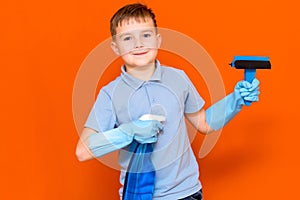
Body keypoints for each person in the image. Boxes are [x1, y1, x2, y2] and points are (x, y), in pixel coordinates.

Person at [75, 3, 260, 200]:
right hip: (137, 195)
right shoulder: (109, 94)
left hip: (187, 193)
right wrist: (128, 131)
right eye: (127, 38)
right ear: (115, 47)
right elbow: (83, 151)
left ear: (158, 40)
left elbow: (204, 123)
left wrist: (235, 100)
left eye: (146, 35)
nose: (138, 44)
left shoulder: (179, 78)